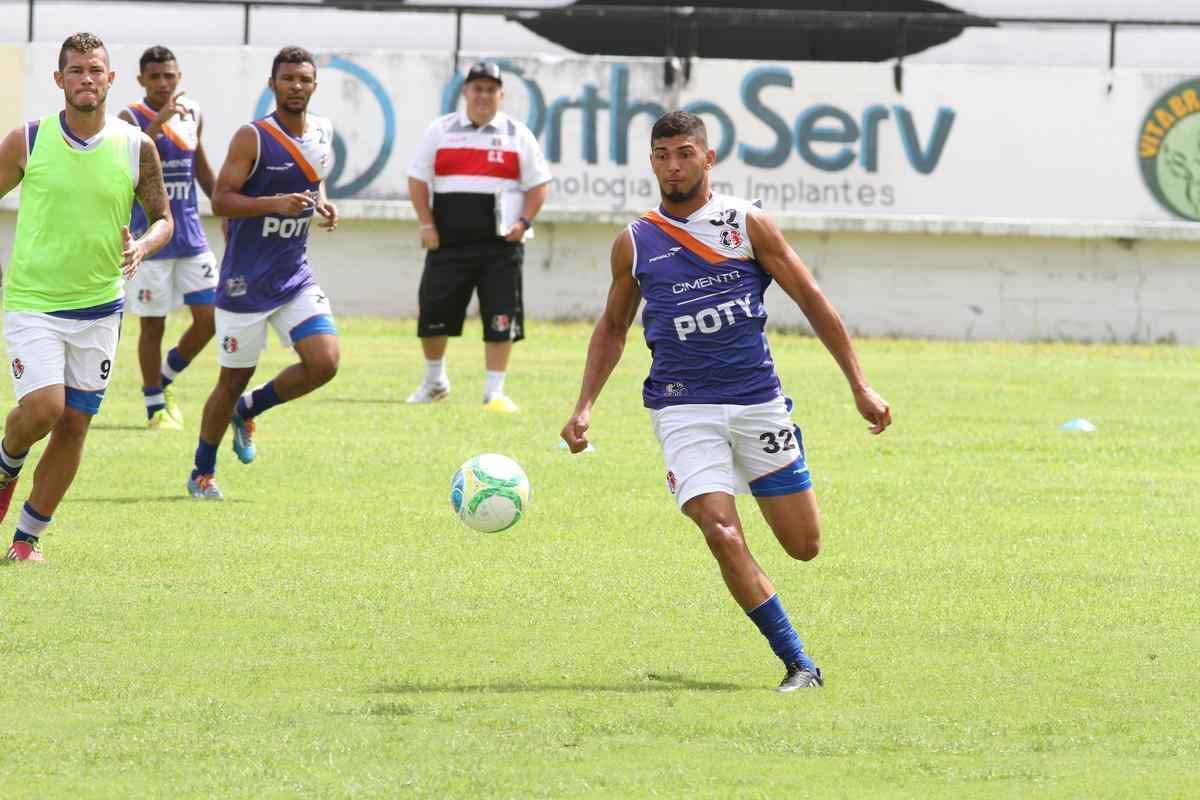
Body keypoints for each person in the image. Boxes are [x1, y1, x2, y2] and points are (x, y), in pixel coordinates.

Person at [560, 111, 892, 691]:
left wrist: (859, 384)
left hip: (757, 401)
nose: (672, 166)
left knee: (804, 546)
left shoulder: (746, 223)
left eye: (684, 153)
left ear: (708, 158)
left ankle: (782, 456)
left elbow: (811, 298)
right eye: (661, 155)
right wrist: (584, 405)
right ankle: (799, 662)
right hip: (682, 408)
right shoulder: (635, 243)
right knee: (720, 532)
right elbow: (613, 327)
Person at [0, 32, 173, 562]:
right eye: (75, 70)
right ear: (59, 79)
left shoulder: (136, 146)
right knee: (45, 408)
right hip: (34, 302)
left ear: (110, 78)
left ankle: (26, 539)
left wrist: (142, 246)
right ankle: (6, 464)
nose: (86, 79)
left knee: (74, 425)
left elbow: (163, 219)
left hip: (100, 308)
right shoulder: (28, 140)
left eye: (95, 70)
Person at [186, 46, 339, 501]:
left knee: (325, 362)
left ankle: (249, 409)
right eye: (288, 78)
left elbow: (312, 179)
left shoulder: (323, 131)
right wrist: (274, 204)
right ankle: (202, 472)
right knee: (231, 380)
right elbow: (221, 200)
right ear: (272, 84)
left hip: (293, 276)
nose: (296, 86)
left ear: (314, 85)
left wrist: (322, 202)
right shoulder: (252, 137)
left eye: (304, 79)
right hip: (244, 285)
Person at [405, 61, 552, 413]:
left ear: (501, 95)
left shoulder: (517, 134)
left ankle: (494, 391)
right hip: (447, 243)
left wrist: (524, 223)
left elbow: (539, 184)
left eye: (491, 89)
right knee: (433, 314)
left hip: (501, 247)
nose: (483, 95)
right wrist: (426, 225)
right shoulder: (440, 131)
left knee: (501, 319)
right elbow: (417, 179)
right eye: (477, 88)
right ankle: (434, 382)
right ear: (465, 92)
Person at [118, 45, 218, 431]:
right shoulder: (129, 119)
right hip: (151, 238)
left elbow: (200, 168)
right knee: (153, 326)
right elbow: (126, 169)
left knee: (210, 319)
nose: (163, 83)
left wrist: (225, 208)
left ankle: (165, 376)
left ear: (179, 77)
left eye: (169, 76)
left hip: (190, 235)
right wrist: (157, 124)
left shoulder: (193, 113)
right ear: (141, 80)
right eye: (155, 76)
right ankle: (154, 406)